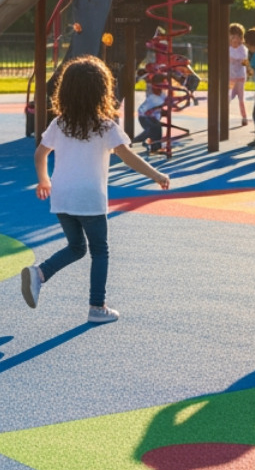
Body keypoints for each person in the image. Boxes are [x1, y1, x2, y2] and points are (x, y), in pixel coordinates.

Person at [25, 56, 169, 323]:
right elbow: (128, 156)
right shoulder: (105, 126)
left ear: (65, 91)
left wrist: (44, 180)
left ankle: (40, 273)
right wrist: (155, 174)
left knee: (76, 247)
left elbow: (39, 154)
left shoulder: (60, 124)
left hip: (62, 197)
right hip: (89, 199)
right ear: (102, 92)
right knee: (100, 250)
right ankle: (97, 307)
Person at [130, 80, 166, 155]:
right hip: (144, 117)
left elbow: (166, 103)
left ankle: (156, 148)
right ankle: (135, 141)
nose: (159, 90)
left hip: (153, 117)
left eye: (160, 88)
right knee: (152, 128)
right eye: (156, 88)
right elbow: (145, 111)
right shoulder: (152, 98)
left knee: (157, 127)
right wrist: (156, 109)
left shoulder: (163, 95)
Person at [228, 23, 249, 128]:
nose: (235, 39)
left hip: (240, 77)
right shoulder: (228, 48)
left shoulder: (243, 49)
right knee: (228, 96)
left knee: (241, 98)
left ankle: (244, 117)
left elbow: (243, 60)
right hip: (231, 77)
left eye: (238, 36)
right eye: (233, 36)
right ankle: (223, 116)